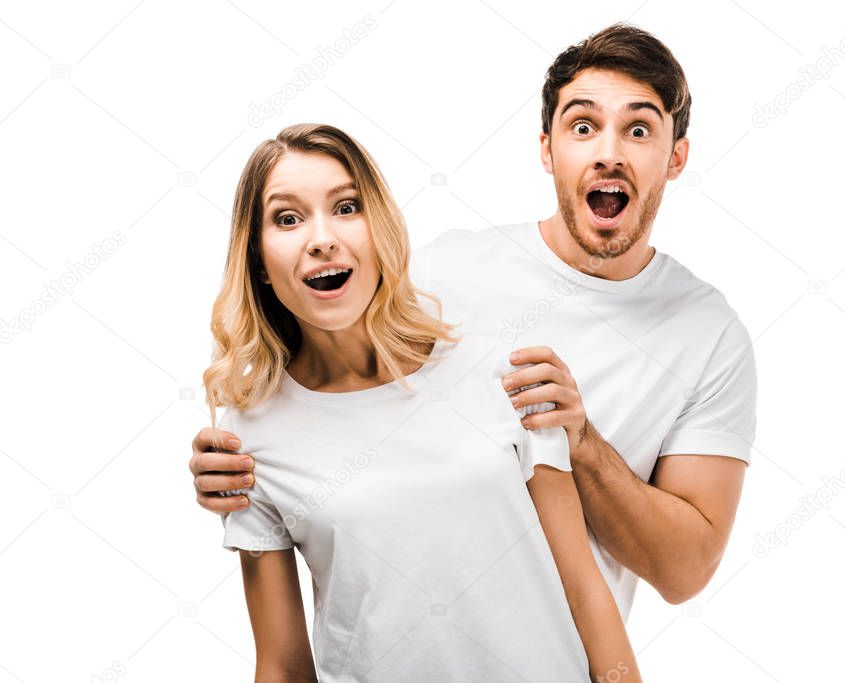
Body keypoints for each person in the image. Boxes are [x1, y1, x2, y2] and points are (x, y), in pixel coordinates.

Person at [193, 22, 756, 625]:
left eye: (638, 129)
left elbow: (685, 571)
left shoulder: (709, 335)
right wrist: (242, 456)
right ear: (547, 148)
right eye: (583, 126)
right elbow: (326, 373)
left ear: (676, 157)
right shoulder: (442, 272)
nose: (608, 152)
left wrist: (582, 444)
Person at [203, 122, 640, 681]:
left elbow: (585, 593)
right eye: (287, 219)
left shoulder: (501, 369)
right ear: (259, 259)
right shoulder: (252, 437)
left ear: (379, 226)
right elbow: (284, 667)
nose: (321, 238)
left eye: (346, 207)